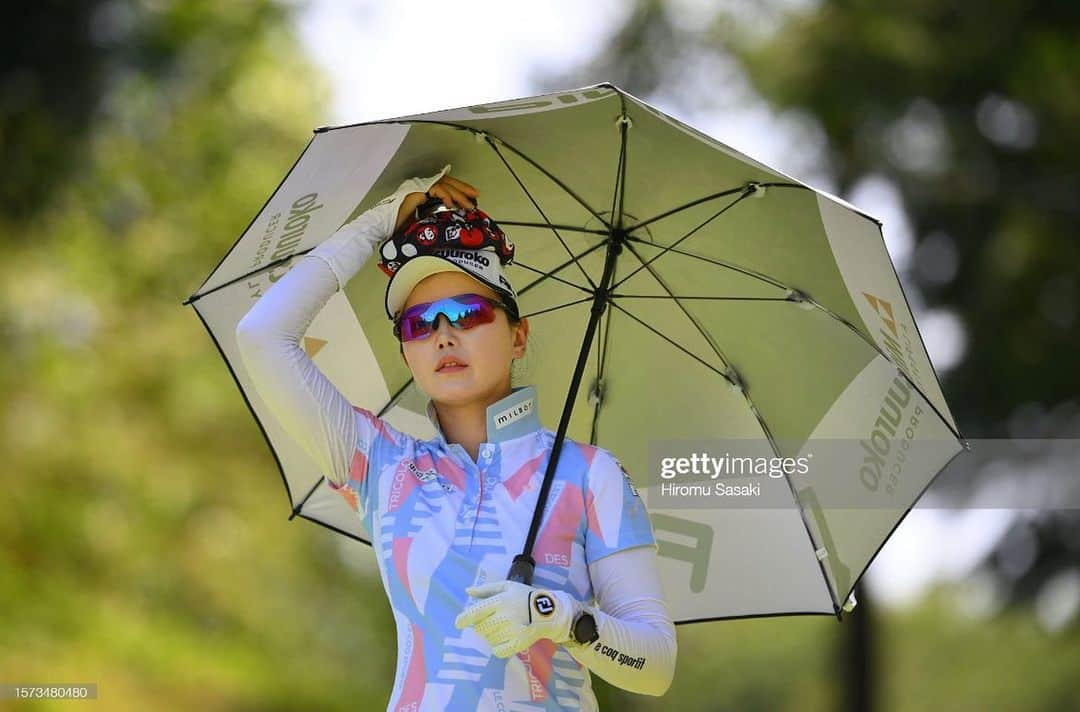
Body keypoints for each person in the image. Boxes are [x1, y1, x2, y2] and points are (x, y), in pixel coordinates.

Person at [234, 164, 677, 711]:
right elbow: (260, 336)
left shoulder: (591, 474)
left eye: (466, 313)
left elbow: (655, 666)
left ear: (518, 335)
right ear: (407, 354)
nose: (443, 335)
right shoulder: (381, 464)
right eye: (420, 324)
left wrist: (556, 616)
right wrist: (380, 220)